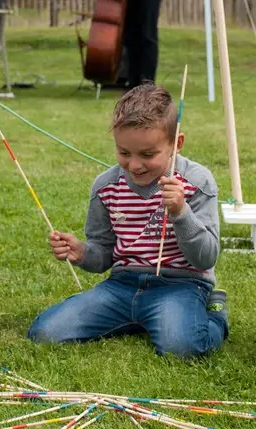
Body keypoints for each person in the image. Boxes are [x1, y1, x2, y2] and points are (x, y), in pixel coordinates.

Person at [27, 84, 227, 359]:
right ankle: (142, 317)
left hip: (181, 285)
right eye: (124, 153)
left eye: (147, 155)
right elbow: (103, 254)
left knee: (182, 348)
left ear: (176, 144)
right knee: (44, 333)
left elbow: (206, 258)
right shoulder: (105, 186)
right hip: (122, 285)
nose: (134, 165)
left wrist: (181, 213)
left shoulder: (197, 182)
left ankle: (216, 315)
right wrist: (83, 252)